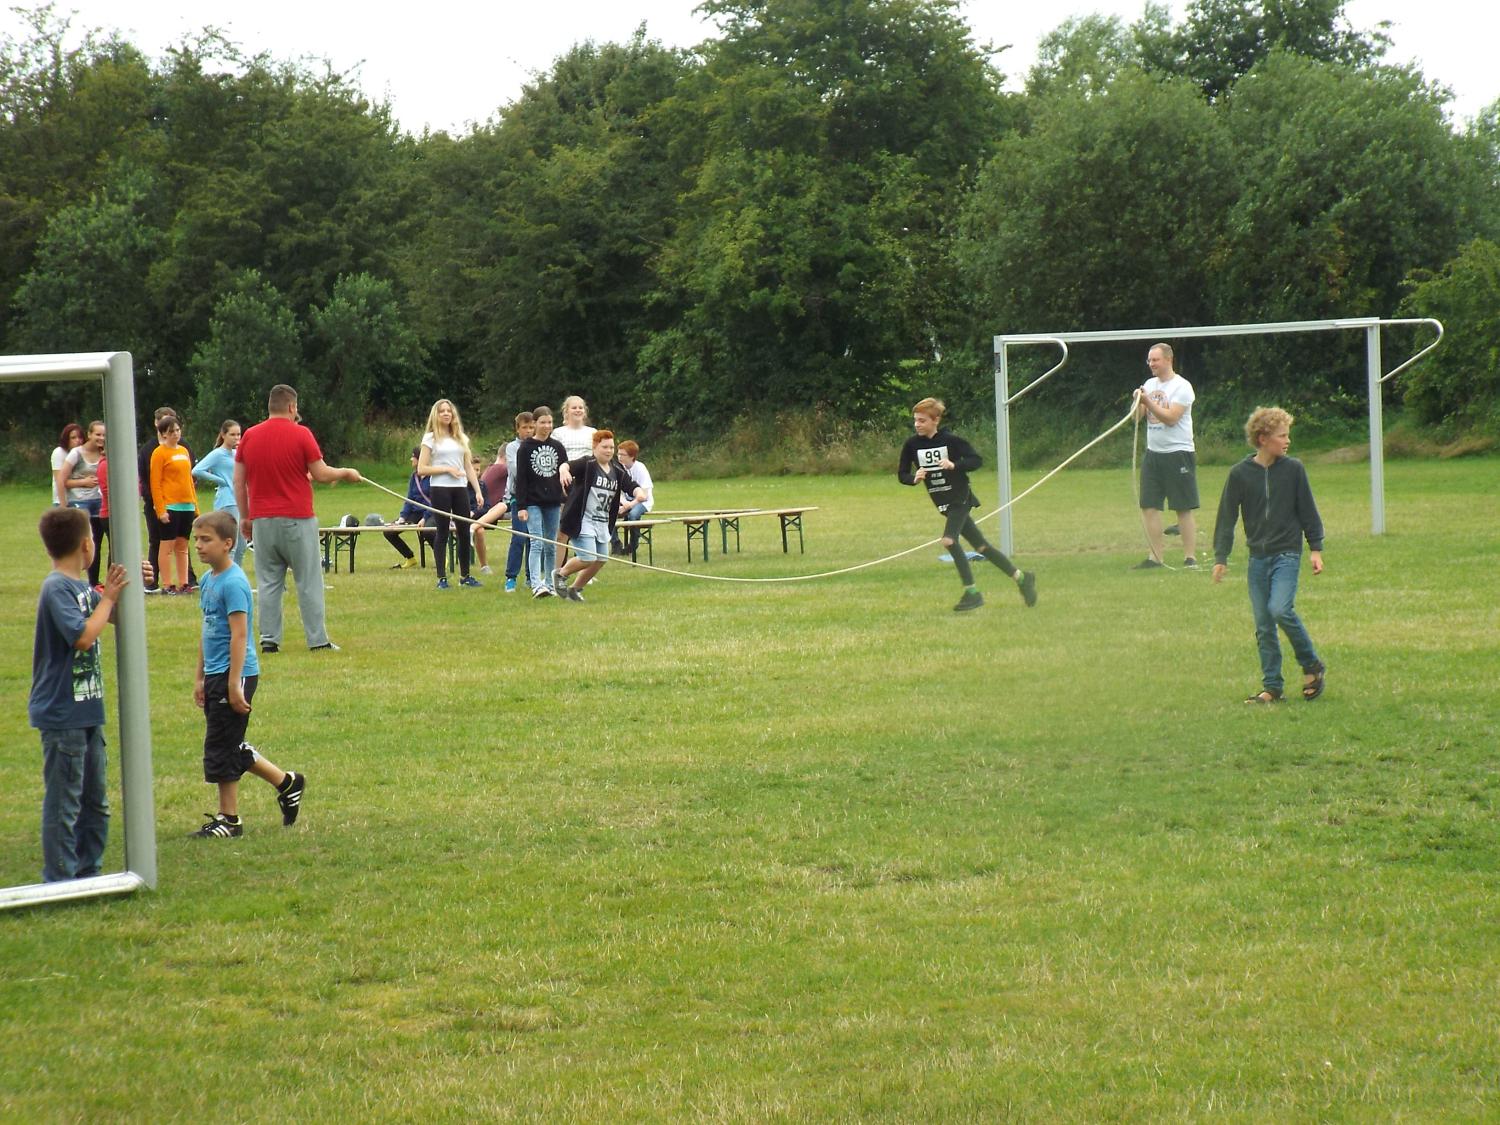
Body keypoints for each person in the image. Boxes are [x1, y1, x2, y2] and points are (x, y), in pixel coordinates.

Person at [28, 507, 131, 881]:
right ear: (88, 545)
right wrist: (109, 598)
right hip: (62, 714)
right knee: (65, 804)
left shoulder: (82, 588)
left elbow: (108, 617)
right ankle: (60, 879)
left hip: (87, 711)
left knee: (95, 802)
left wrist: (126, 590)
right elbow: (84, 637)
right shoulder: (57, 587)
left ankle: (89, 873)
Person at [189, 511, 306, 838]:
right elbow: (207, 630)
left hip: (235, 674)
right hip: (216, 673)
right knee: (228, 741)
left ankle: (229, 820)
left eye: (206, 540)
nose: (198, 546)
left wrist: (233, 683)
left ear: (228, 543)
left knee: (221, 745)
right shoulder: (207, 580)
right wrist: (199, 677)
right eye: (196, 539)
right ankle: (287, 783)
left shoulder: (234, 583)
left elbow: (240, 635)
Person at [234, 383, 362, 653]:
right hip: (297, 519)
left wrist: (245, 518)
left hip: (262, 521)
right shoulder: (301, 433)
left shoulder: (249, 436)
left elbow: (239, 481)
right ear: (292, 406)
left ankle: (269, 640)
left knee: (268, 582)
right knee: (308, 580)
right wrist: (346, 473)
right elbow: (322, 473)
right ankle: (317, 640)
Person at [1212, 407, 1327, 704]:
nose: (1288, 441)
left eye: (1287, 435)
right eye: (1282, 436)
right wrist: (1221, 557)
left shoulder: (1294, 470)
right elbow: (1226, 517)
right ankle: (1272, 687)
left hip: (1286, 554)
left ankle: (1311, 665)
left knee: (1279, 609)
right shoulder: (1239, 474)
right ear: (1263, 439)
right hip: (1257, 559)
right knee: (1264, 625)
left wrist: (1315, 549)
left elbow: (1308, 511)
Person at [897, 397, 1037, 613]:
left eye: (922, 420)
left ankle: (972, 593)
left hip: (960, 499)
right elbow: (902, 474)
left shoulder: (951, 441)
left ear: (936, 420)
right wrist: (914, 478)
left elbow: (976, 460)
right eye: (915, 420)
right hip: (942, 502)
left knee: (948, 540)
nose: (917, 424)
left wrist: (954, 465)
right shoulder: (912, 445)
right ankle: (1022, 578)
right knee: (982, 547)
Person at [553, 431, 646, 602]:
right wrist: (563, 471)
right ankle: (560, 574)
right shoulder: (587, 464)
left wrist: (638, 493)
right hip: (583, 520)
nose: (609, 451)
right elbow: (566, 465)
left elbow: (631, 485)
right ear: (595, 447)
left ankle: (575, 589)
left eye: (611, 447)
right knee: (588, 557)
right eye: (604, 447)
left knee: (601, 558)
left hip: (602, 522)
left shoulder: (617, 470)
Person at [1134, 342, 1199, 569]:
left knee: (1182, 506)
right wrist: (1137, 401)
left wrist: (1148, 402)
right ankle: (1155, 558)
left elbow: (1171, 418)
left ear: (1168, 360)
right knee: (1149, 505)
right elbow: (1136, 418)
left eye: (1155, 360)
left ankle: (1190, 557)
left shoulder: (1182, 386)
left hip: (1178, 453)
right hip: (1153, 454)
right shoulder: (1149, 384)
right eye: (1149, 360)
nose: (1151, 364)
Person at [417, 398, 484, 589]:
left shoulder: (461, 438)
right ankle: (442, 578)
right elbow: (422, 468)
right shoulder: (430, 439)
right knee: (443, 531)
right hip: (440, 488)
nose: (446, 414)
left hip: (460, 488)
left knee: (464, 531)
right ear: (436, 415)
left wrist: (477, 490)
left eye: (449, 411)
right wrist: (446, 469)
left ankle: (465, 576)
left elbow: (468, 466)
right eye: (442, 411)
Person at [513, 406, 570, 598]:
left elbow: (565, 473)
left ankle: (550, 583)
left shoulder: (558, 447)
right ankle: (536, 584)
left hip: (553, 501)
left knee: (550, 544)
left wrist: (566, 497)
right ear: (535, 423)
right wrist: (521, 506)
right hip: (532, 502)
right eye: (543, 422)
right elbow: (521, 479)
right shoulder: (525, 448)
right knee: (536, 542)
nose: (547, 426)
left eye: (549, 422)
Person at [139, 407, 195, 593]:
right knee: (167, 545)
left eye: (178, 430)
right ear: (163, 434)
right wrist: (161, 509)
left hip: (186, 504)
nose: (176, 434)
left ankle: (184, 583)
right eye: (171, 432)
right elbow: (155, 483)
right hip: (170, 505)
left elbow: (189, 479)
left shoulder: (184, 451)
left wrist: (194, 505)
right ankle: (167, 584)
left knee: (183, 545)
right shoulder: (159, 453)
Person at [192, 420, 247, 567]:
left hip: (240, 499)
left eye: (238, 434)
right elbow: (197, 470)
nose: (236, 438)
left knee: (242, 544)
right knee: (231, 543)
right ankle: (226, 572)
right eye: (232, 434)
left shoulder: (236, 453)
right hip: (228, 500)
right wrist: (221, 480)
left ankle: (237, 573)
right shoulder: (218, 454)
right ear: (223, 435)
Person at [58, 420, 106, 586]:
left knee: (96, 543)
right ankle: (73, 578)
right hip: (79, 502)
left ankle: (93, 582)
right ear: (89, 434)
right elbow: (62, 480)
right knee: (82, 542)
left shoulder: (105, 453)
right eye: (98, 434)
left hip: (99, 502)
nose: (101, 438)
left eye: (104, 435)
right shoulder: (76, 453)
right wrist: (82, 483)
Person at [501, 412, 535, 592]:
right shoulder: (512, 448)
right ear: (517, 429)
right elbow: (516, 470)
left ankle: (531, 576)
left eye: (531, 427)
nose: (528, 431)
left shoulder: (539, 445)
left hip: (536, 498)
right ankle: (511, 577)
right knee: (519, 536)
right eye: (525, 427)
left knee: (533, 538)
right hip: (518, 497)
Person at [385, 447, 432, 569]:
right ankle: (410, 558)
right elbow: (409, 499)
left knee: (427, 530)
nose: (411, 459)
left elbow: (436, 501)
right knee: (389, 532)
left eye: (413, 456)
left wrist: (425, 518)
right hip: (415, 513)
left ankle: (442, 558)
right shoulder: (414, 477)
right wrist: (402, 517)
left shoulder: (434, 477)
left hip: (432, 513)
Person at [613, 439, 654, 556]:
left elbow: (644, 495)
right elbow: (617, 491)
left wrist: (628, 505)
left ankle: (633, 545)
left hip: (642, 502)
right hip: (626, 501)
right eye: (618, 454)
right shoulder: (618, 468)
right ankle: (616, 544)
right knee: (610, 514)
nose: (619, 457)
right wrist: (623, 503)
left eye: (623, 455)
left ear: (632, 457)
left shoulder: (640, 468)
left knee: (633, 515)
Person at [50, 423, 83, 506]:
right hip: (62, 501)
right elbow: (59, 480)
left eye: (80, 437)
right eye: (73, 438)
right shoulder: (59, 452)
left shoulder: (81, 452)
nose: (78, 440)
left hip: (79, 499)